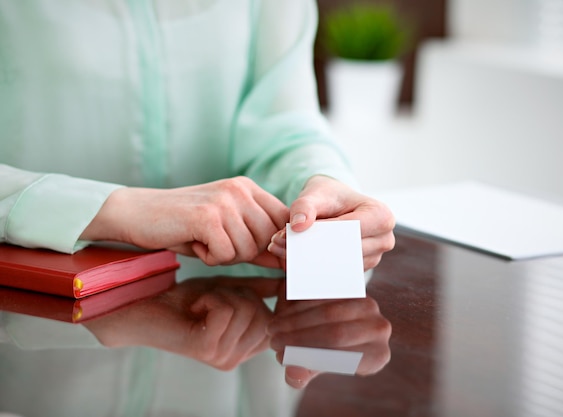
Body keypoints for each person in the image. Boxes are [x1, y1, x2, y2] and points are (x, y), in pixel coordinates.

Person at [0, 0, 395, 415]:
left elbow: (286, 127)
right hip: (34, 346)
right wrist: (120, 210)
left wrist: (321, 184)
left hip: (232, 340)